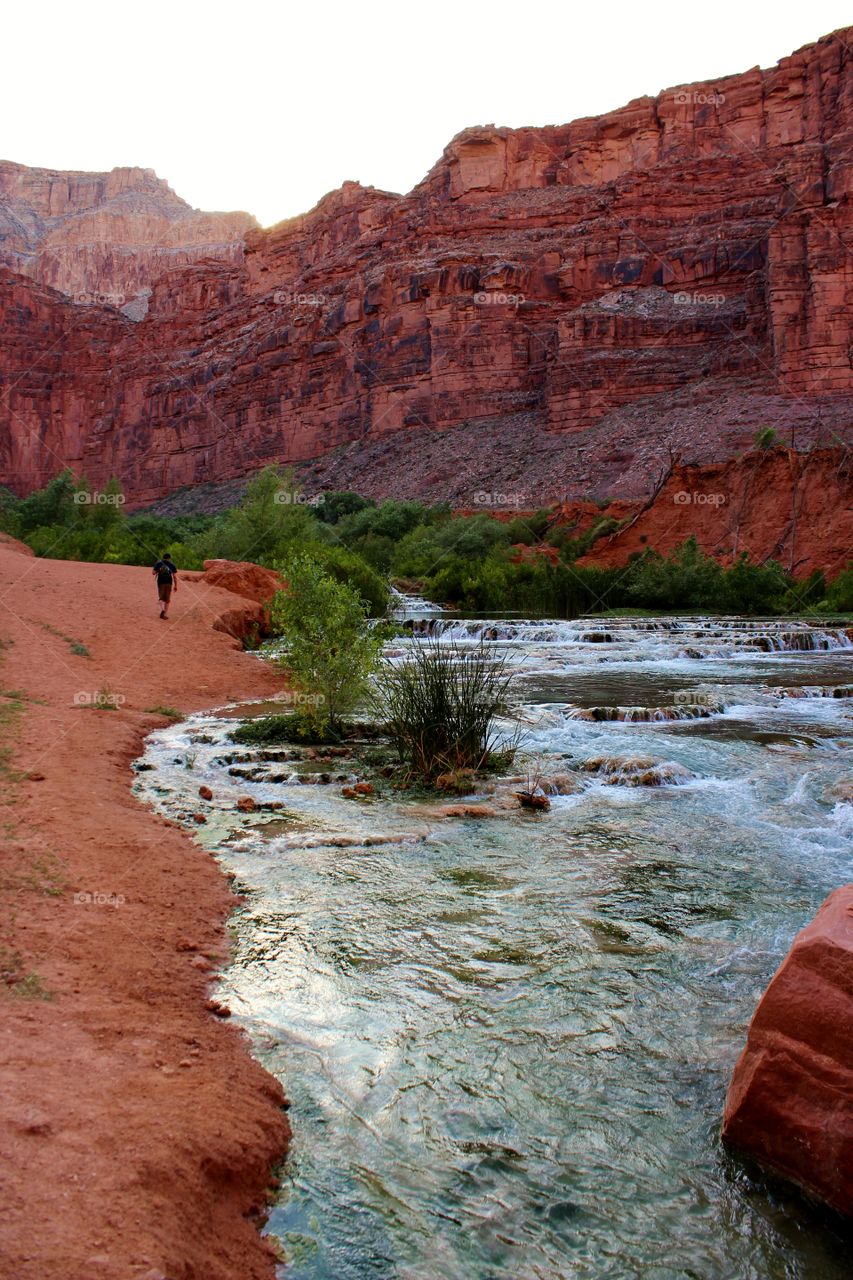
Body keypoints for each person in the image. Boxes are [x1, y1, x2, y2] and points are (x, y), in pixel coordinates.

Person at [152, 552, 178, 619]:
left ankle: (162, 609)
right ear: (169, 558)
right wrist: (176, 585)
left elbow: (153, 573)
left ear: (163, 557)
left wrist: (158, 570)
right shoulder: (172, 565)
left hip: (161, 582)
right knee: (167, 599)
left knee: (161, 598)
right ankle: (165, 614)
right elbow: (174, 576)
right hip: (169, 583)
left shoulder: (159, 563)